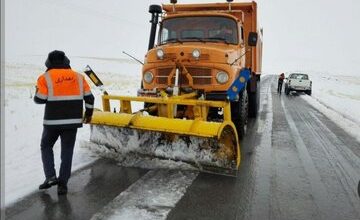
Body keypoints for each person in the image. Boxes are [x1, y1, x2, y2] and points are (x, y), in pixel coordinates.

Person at [34, 50, 94, 195]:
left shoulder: (44, 78)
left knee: (46, 145)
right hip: (72, 122)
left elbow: (40, 99)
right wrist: (88, 114)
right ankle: (63, 185)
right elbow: (90, 98)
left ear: (48, 62)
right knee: (67, 152)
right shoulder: (79, 77)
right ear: (66, 61)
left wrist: (37, 92)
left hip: (52, 122)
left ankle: (50, 177)